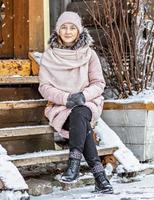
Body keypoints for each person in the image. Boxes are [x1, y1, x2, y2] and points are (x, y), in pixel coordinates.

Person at [38, 11, 113, 194]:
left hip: (88, 103)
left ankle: (74, 164)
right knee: (82, 125)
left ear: (79, 31)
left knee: (80, 112)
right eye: (64, 27)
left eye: (72, 27)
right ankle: (100, 178)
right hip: (60, 107)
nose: (68, 31)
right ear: (58, 31)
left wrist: (83, 96)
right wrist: (66, 98)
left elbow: (98, 83)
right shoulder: (49, 56)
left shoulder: (90, 54)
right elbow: (44, 87)